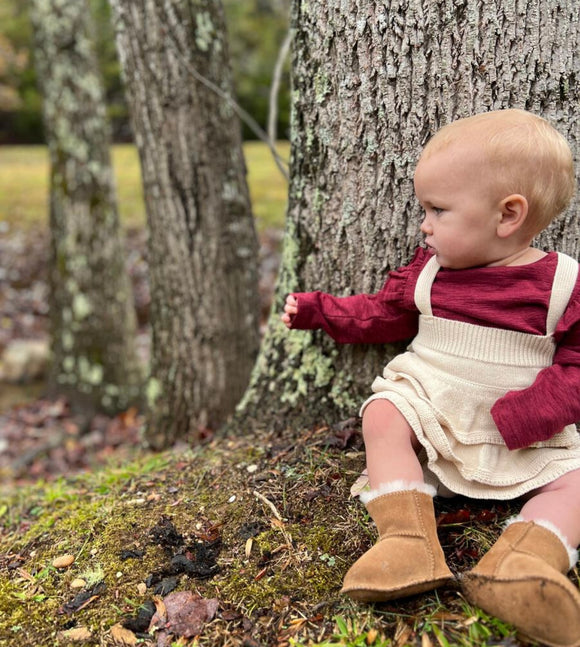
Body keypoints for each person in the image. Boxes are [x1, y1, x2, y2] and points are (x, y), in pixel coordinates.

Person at [282, 109, 580, 647]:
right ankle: (406, 539)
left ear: (508, 215)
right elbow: (377, 315)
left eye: (437, 210)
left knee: (578, 479)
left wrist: (536, 412)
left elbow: (578, 364)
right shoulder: (429, 272)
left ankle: (527, 562)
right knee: (384, 412)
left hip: (521, 418)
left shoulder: (563, 284)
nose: (424, 224)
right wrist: (315, 310)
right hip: (434, 401)